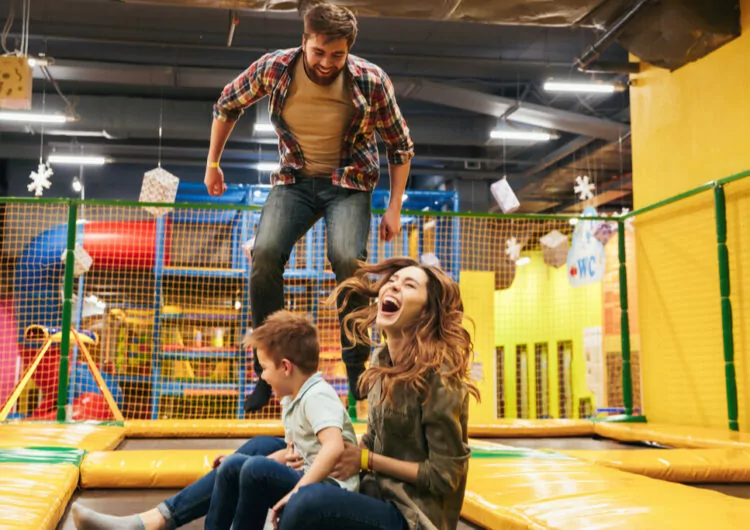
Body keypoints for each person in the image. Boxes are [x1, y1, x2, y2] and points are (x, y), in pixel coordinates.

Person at [204, 1, 414, 412]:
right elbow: (227, 104)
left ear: (348, 50)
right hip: (295, 181)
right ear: (304, 42)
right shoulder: (275, 68)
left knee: (347, 259)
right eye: (318, 52)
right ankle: (266, 370)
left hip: (349, 182)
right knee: (264, 254)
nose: (326, 63)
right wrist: (212, 163)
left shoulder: (371, 80)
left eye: (337, 55)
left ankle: (358, 373)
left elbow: (400, 145)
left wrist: (393, 207)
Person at [71, 310, 358, 530]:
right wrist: (245, 460)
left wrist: (296, 492)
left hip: (328, 489)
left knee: (254, 468)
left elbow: (332, 448)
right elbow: (295, 450)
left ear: (285, 367)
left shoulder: (317, 395)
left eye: (264, 368)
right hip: (307, 476)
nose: (261, 376)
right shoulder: (292, 399)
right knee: (234, 465)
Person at [279, 257, 480, 530]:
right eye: (392, 282)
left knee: (308, 501)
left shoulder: (440, 377)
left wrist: (366, 460)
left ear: (425, 313)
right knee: (262, 461)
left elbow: (444, 475)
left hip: (413, 515)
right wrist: (320, 454)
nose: (393, 288)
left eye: (409, 285)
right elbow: (373, 440)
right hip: (374, 493)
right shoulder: (380, 361)